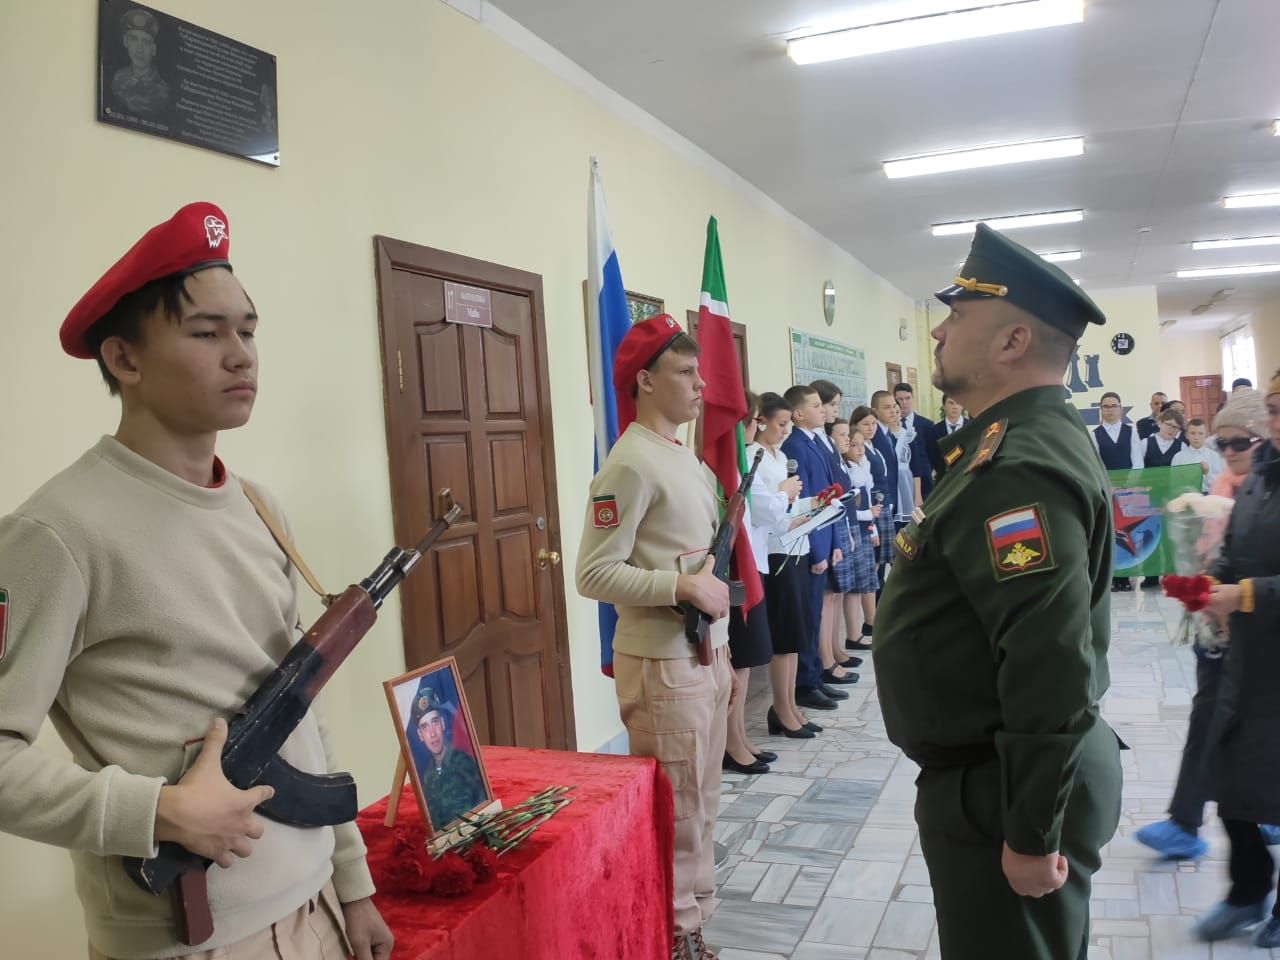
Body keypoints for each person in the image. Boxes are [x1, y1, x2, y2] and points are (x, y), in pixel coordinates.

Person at [0, 203, 391, 960]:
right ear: (124, 359)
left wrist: (353, 884)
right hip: (194, 943)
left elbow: (297, 709)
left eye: (248, 330)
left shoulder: (257, 505)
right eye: (206, 333)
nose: (242, 355)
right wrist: (157, 812)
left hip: (318, 913)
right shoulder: (57, 533)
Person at [874, 223, 1122, 960]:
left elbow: (1050, 661)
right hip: (996, 778)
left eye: (958, 317)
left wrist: (1029, 830)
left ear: (1014, 342)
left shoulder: (1014, 465)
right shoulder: (1008, 440)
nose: (940, 331)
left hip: (1003, 789)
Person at [575, 314, 732, 960]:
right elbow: (592, 572)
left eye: (700, 371)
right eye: (686, 372)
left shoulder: (681, 457)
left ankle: (693, 923)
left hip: (704, 655)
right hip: (664, 664)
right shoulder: (630, 463)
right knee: (678, 813)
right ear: (645, 380)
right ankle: (670, 932)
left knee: (704, 803)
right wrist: (681, 588)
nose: (701, 384)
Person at [1135, 390, 1269, 863]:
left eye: (1240, 443)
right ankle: (1187, 821)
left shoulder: (1267, 493)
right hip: (1223, 629)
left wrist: (1240, 595)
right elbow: (1223, 554)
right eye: (1222, 444)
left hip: (1262, 635)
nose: (1230, 453)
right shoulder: (1231, 490)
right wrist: (1202, 587)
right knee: (1208, 714)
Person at [1194, 376, 1280, 947]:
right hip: (1249, 662)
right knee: (1232, 780)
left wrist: (1244, 595)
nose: (1273, 422)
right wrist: (1212, 578)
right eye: (1272, 409)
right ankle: (1248, 891)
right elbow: (1239, 549)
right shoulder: (1263, 475)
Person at [751, 392, 819, 740]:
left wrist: (813, 503)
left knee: (795, 636)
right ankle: (780, 709)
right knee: (783, 637)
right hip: (776, 553)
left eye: (788, 426)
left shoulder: (779, 455)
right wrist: (786, 492)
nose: (785, 432)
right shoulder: (755, 457)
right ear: (760, 421)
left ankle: (791, 705)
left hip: (796, 546)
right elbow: (767, 512)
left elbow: (787, 506)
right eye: (780, 425)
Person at [722, 392, 779, 775]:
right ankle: (730, 743)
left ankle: (739, 736)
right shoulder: (723, 466)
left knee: (746, 663)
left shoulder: (743, 462)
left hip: (752, 563)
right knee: (738, 662)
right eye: (754, 421)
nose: (756, 428)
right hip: (733, 572)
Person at [781, 384, 845, 711]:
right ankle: (806, 682)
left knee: (815, 614)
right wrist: (819, 550)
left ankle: (815, 676)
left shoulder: (813, 441)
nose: (824, 410)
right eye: (817, 405)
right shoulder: (796, 445)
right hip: (809, 542)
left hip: (823, 536)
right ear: (798, 413)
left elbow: (829, 496)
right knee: (807, 616)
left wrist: (833, 543)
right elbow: (808, 505)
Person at [811, 381, 859, 688]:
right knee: (826, 599)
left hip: (836, 523)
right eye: (829, 405)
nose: (832, 411)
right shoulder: (816, 441)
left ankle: (832, 652)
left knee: (834, 596)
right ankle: (825, 659)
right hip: (823, 526)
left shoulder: (824, 442)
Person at [409, 687, 487, 830]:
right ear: (420, 735)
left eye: (435, 722)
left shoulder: (465, 764)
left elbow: (486, 811)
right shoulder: (428, 776)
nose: (432, 733)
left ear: (443, 724)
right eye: (425, 727)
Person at [1090, 391, 1142, 593]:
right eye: (1106, 406)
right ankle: (1110, 577)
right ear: (1101, 410)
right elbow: (1096, 464)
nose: (1110, 410)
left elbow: (1137, 462)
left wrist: (1128, 484)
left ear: (1121, 408)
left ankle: (1125, 577)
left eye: (1114, 406)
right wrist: (1108, 485)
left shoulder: (1132, 431)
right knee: (1108, 534)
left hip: (1130, 492)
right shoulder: (1094, 434)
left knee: (1128, 533)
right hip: (1107, 490)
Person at [838, 423, 882, 652]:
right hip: (855, 525)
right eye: (852, 444)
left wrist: (872, 527)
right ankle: (854, 634)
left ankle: (863, 628)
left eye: (860, 444)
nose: (858, 448)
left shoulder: (859, 465)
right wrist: (867, 515)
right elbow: (850, 504)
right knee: (855, 585)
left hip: (865, 527)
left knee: (866, 580)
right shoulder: (845, 467)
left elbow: (866, 497)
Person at [857, 401, 897, 617]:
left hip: (883, 507)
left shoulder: (874, 446)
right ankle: (871, 616)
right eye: (865, 424)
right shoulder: (860, 450)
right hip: (872, 509)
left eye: (873, 423)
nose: (871, 428)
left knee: (881, 562)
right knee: (873, 564)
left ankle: (879, 608)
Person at [111, 8, 170, 116]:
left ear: (153, 49)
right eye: (133, 39)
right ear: (125, 41)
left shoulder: (163, 91)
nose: (139, 49)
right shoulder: (117, 78)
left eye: (146, 42)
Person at [895, 382, 936, 499]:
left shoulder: (927, 425)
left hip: (924, 483)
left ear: (912, 398)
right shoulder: (891, 426)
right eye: (900, 399)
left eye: (907, 398)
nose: (904, 403)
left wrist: (926, 469)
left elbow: (933, 454)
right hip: (900, 482)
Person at [1172, 417, 1223, 493]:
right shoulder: (1178, 457)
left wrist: (1207, 473)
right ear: (1186, 435)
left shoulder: (1214, 456)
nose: (1196, 437)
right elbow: (1174, 482)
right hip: (1186, 497)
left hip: (1207, 496)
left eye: (1200, 433)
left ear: (1207, 435)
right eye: (1192, 433)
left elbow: (1219, 483)